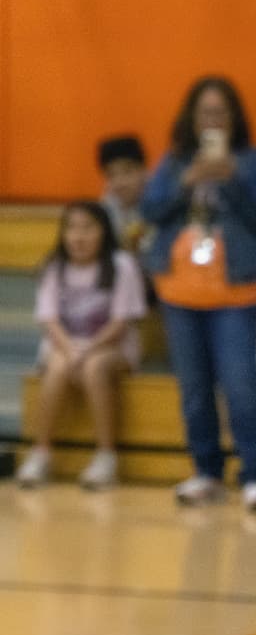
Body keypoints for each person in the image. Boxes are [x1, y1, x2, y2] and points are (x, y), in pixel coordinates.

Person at [140, 76, 256, 511]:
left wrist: (234, 180)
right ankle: (206, 472)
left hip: (235, 291)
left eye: (220, 111)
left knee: (240, 385)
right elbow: (149, 209)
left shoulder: (255, 162)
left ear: (234, 117)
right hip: (179, 289)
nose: (213, 120)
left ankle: (254, 476)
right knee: (194, 389)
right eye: (205, 111)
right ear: (192, 117)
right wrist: (186, 180)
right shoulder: (174, 161)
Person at [16, 201, 148, 489]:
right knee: (58, 365)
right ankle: (41, 453)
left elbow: (120, 323)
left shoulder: (121, 265)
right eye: (72, 228)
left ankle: (106, 456)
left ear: (104, 232)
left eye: (87, 228)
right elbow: (49, 319)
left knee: (94, 366)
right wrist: (72, 349)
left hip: (112, 347)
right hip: (65, 345)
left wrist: (87, 349)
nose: (78, 236)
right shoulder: (54, 266)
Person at [97, 135, 151, 253]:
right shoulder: (105, 210)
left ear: (144, 170)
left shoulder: (163, 203)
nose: (119, 183)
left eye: (127, 172)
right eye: (111, 175)